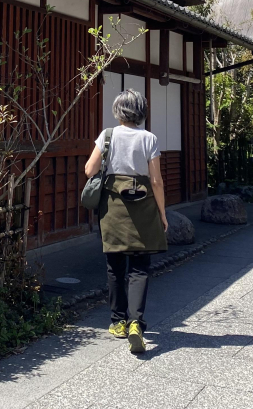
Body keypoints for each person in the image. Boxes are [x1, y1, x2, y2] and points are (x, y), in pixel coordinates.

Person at [84, 88, 168, 354]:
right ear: (141, 111)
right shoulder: (149, 138)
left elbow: (89, 170)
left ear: (119, 110)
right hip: (143, 205)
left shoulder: (107, 135)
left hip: (113, 206)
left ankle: (118, 322)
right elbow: (156, 180)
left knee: (115, 265)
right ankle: (136, 323)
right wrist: (163, 213)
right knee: (140, 266)